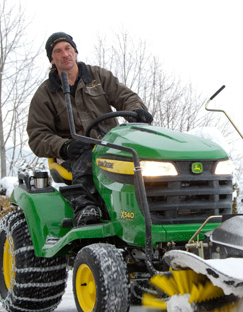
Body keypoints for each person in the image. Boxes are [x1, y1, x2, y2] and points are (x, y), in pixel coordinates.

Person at [27, 32, 153, 226]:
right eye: (58, 51)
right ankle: (85, 208)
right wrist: (65, 146)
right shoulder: (45, 94)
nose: (65, 54)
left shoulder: (98, 76)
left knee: (145, 160)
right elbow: (37, 135)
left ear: (75, 52)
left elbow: (125, 96)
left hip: (109, 144)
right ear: (52, 60)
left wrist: (136, 111)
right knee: (88, 158)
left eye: (68, 48)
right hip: (73, 153)